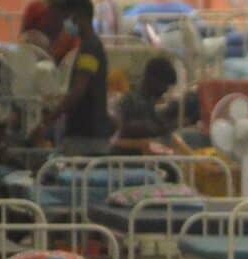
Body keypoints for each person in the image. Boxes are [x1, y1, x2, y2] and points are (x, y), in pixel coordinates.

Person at [44, 0, 112, 154]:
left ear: (76, 17)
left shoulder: (90, 48)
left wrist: (50, 118)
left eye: (65, 18)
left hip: (86, 135)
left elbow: (79, 90)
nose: (63, 25)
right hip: (89, 132)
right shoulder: (88, 46)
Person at [113, 56, 177, 153]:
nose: (165, 90)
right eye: (164, 84)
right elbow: (123, 129)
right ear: (152, 79)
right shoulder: (129, 102)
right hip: (131, 158)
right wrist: (156, 129)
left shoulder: (148, 102)